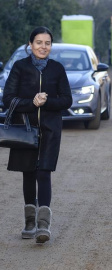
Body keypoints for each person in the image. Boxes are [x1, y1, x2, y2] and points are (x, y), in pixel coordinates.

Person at [3, 26, 72, 244]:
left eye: (47, 43)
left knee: (44, 173)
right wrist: (31, 103)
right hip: (25, 129)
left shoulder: (57, 69)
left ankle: (43, 225)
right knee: (28, 173)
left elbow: (67, 100)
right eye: (39, 42)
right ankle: (29, 222)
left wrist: (47, 101)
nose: (43, 47)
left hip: (51, 129)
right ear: (30, 45)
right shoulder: (19, 67)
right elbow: (8, 99)